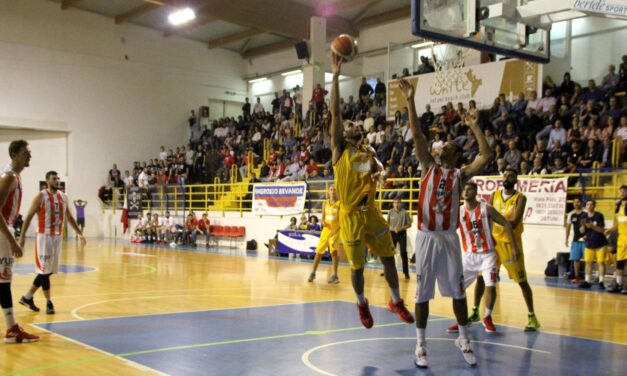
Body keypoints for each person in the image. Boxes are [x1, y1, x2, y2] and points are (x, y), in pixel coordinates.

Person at [399, 77, 494, 368]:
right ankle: (420, 345)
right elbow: (416, 134)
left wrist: (474, 126)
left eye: (448, 146)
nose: (441, 148)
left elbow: (486, 155)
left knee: (457, 291)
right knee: (423, 293)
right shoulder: (428, 165)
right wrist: (410, 100)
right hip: (427, 235)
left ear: (454, 153)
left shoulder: (460, 174)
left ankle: (464, 338)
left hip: (449, 238)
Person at [330, 53, 414, 330]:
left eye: (355, 125)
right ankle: (361, 302)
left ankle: (395, 301)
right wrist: (335, 75)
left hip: (372, 213)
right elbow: (336, 113)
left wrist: (380, 172)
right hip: (351, 215)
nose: (353, 125)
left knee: (388, 257)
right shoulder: (339, 151)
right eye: (348, 125)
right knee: (357, 268)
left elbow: (379, 170)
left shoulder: (369, 151)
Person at [447, 181, 519, 334]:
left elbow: (506, 223)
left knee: (490, 285)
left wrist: (514, 247)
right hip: (468, 256)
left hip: (488, 254)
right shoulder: (458, 211)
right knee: (457, 290)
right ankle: (462, 321)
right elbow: (449, 231)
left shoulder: (486, 208)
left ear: (475, 192)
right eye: (464, 189)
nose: (466, 191)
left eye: (469, 189)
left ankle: (487, 317)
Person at [478, 169, 540, 332]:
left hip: (510, 245)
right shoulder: (494, 195)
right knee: (481, 278)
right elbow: (487, 218)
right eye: (505, 175)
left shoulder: (520, 198)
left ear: (516, 180)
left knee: (522, 281)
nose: (507, 178)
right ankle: (474, 312)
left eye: (511, 176)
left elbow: (513, 222)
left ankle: (532, 316)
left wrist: (497, 218)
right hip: (493, 242)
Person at [18, 170, 86, 315]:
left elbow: (69, 217)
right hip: (44, 236)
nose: (57, 180)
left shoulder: (64, 197)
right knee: (44, 271)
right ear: (47, 181)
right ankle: (48, 302)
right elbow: (29, 216)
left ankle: (27, 297)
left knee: (48, 272)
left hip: (57, 237)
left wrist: (79, 233)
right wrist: (22, 237)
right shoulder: (41, 196)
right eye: (54, 178)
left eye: (58, 178)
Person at [0, 140, 39, 343]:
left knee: (3, 281)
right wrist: (12, 241)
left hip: (3, 232)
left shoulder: (14, 176)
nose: (29, 156)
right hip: (1, 234)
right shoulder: (9, 177)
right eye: (26, 152)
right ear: (14, 154)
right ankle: (12, 329)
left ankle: (12, 327)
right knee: (4, 281)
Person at [308, 185, 341, 284]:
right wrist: (323, 222)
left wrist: (336, 230)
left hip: (335, 229)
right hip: (326, 230)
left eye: (334, 190)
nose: (333, 191)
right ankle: (313, 273)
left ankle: (335, 275)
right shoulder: (325, 203)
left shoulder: (340, 204)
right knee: (319, 251)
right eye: (331, 190)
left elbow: (342, 220)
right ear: (328, 192)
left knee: (333, 252)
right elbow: (322, 218)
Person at [578, 200, 608, 289]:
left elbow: (602, 230)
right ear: (586, 206)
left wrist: (592, 226)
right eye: (587, 204)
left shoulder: (599, 215)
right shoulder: (583, 216)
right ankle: (587, 281)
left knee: (601, 262)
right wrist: (583, 226)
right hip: (589, 243)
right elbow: (581, 231)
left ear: (594, 206)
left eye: (591, 204)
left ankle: (601, 281)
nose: (589, 206)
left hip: (600, 243)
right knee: (588, 262)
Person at [605, 185, 627, 293]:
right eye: (621, 191)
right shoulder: (618, 205)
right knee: (620, 262)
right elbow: (620, 222)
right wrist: (610, 229)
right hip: (622, 237)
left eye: (624, 191)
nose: (622, 193)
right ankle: (619, 283)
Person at [387, 198, 412, 280]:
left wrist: (401, 228)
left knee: (403, 253)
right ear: (393, 203)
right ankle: (388, 271)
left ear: (401, 203)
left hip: (402, 234)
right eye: (395, 202)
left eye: (398, 202)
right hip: (392, 233)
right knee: (390, 253)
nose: (396, 204)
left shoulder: (405, 212)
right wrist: (392, 229)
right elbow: (387, 224)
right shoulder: (390, 212)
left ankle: (406, 273)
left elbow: (409, 224)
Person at [565, 197, 586, 283]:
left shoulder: (586, 213)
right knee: (575, 259)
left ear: (581, 203)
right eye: (574, 202)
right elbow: (568, 227)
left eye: (578, 202)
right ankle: (577, 276)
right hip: (576, 240)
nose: (576, 204)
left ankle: (588, 277)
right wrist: (566, 239)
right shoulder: (571, 214)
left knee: (588, 259)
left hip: (586, 240)